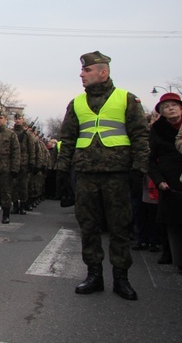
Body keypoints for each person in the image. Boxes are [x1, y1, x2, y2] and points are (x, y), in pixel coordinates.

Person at [56, 51, 149, 301]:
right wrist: (62, 170)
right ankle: (94, 275)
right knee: (88, 226)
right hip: (85, 174)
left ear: (103, 72)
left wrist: (139, 169)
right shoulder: (76, 103)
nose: (81, 74)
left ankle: (121, 278)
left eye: (87, 70)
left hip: (118, 174)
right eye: (82, 70)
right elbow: (67, 139)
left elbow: (141, 136)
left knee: (120, 227)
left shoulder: (126, 99)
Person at [149, 93, 182, 270]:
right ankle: (171, 253)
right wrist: (159, 180)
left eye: (174, 105)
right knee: (170, 220)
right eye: (166, 106)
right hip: (168, 180)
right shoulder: (157, 129)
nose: (171, 108)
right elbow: (151, 159)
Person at [12, 113, 34, 215]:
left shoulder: (27, 134)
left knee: (23, 185)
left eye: (19, 119)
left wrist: (31, 162)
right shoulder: (11, 132)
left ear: (23, 120)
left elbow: (31, 148)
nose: (17, 121)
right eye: (16, 119)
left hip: (24, 162)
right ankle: (15, 205)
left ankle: (22, 206)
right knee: (13, 185)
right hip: (13, 163)